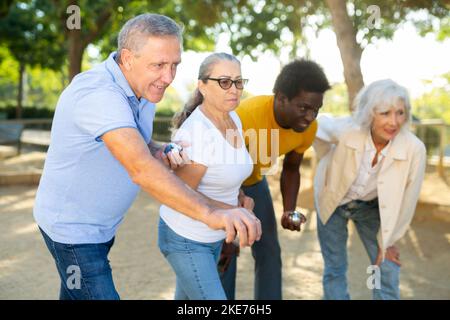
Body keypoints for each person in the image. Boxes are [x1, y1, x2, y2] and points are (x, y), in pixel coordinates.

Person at [33, 14, 261, 300]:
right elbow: (140, 168)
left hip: (103, 227)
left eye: (174, 65)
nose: (168, 77)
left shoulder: (142, 88)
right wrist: (212, 213)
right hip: (74, 233)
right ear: (127, 58)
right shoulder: (98, 94)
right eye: (158, 65)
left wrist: (159, 148)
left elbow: (137, 142)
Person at [219, 59, 331, 300]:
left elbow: (291, 168)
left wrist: (289, 210)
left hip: (253, 182)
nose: (310, 116)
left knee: (269, 249)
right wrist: (228, 220)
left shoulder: (308, 128)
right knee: (225, 250)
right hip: (220, 185)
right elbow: (220, 171)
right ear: (281, 98)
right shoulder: (244, 117)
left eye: (316, 109)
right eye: (304, 108)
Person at [313, 79, 426, 300]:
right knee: (335, 268)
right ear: (369, 113)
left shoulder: (414, 149)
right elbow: (314, 127)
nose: (394, 122)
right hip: (332, 203)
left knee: (385, 266)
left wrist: (389, 240)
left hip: (371, 207)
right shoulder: (347, 129)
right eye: (385, 113)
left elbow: (408, 200)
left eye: (400, 113)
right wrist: (325, 158)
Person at [158, 52, 257, 300]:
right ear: (202, 85)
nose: (234, 89)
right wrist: (232, 211)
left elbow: (229, 169)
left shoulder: (234, 117)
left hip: (214, 236)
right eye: (224, 82)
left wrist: (241, 199)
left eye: (238, 81)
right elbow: (180, 194)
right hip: (186, 239)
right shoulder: (196, 133)